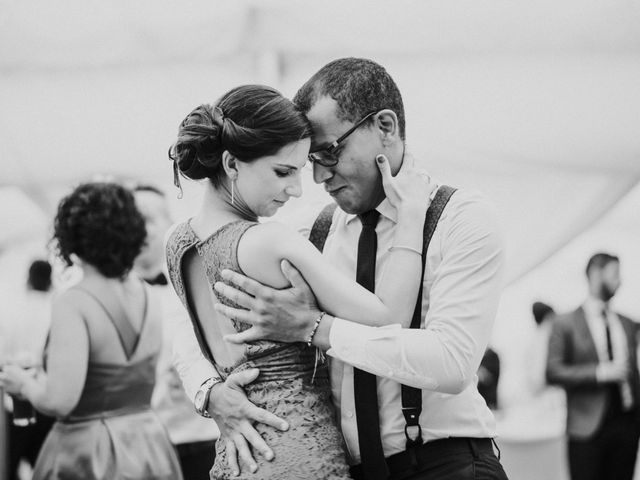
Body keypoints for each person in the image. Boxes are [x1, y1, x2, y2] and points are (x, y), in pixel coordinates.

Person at [181, 58, 509, 480]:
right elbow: (189, 317)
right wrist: (210, 393)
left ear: (385, 127)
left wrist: (314, 327)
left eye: (329, 152)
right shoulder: (305, 231)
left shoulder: (460, 217)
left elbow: (452, 363)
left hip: (445, 465)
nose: (317, 176)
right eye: (307, 161)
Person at [165, 84, 434, 479]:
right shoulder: (268, 240)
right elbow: (387, 316)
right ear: (231, 163)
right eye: (282, 172)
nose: (295, 189)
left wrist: (209, 392)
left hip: (237, 454)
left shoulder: (177, 242)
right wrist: (411, 217)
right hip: (297, 447)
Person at [0, 182, 183, 480]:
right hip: (147, 441)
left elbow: (60, 401)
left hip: (91, 452)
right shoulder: (147, 294)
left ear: (71, 237)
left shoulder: (73, 301)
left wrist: (24, 385)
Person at [132, 184, 219, 480]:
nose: (138, 228)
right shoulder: (115, 296)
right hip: (142, 443)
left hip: (201, 435)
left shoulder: (195, 281)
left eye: (147, 218)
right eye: (129, 219)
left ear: (167, 220)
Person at [547, 253, 640, 480]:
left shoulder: (627, 322)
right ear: (595, 274)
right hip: (586, 429)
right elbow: (553, 371)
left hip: (627, 426)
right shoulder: (564, 323)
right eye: (615, 274)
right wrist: (599, 373)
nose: (621, 281)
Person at [4, 260, 55, 480]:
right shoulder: (57, 309)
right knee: (45, 466)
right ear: (50, 280)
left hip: (14, 401)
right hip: (45, 398)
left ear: (28, 279)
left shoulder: (12, 310)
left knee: (11, 463)